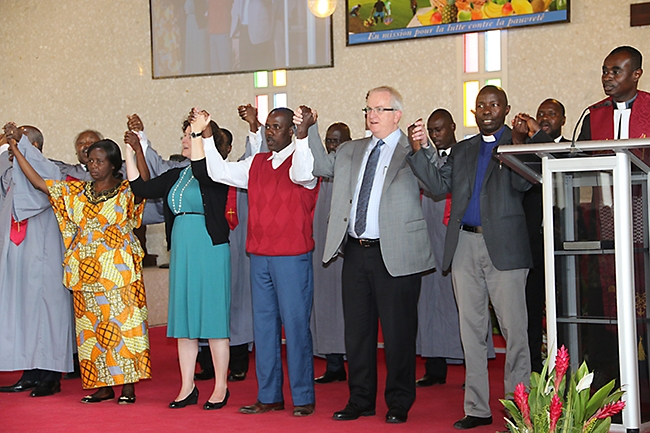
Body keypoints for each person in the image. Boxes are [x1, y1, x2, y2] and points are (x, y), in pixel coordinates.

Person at [297, 85, 435, 424]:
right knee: (357, 333)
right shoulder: (351, 150)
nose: (371, 115)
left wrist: (423, 148)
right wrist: (311, 129)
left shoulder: (411, 149)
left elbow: (435, 184)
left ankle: (399, 401)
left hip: (396, 253)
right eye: (368, 109)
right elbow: (320, 165)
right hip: (356, 254)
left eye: (379, 109)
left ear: (396, 115)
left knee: (398, 333)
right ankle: (360, 399)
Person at [407, 85, 532, 430]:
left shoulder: (518, 144)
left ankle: (520, 409)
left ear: (506, 109)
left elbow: (525, 184)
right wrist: (418, 150)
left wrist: (520, 144)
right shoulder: (463, 150)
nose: (486, 110)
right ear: (474, 112)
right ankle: (477, 408)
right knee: (471, 330)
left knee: (514, 331)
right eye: (480, 106)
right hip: (464, 246)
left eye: (493, 105)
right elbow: (435, 185)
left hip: (505, 250)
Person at [6, 125, 152, 404]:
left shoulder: (125, 191)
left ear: (113, 164)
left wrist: (137, 150)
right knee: (92, 329)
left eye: (99, 161)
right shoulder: (78, 192)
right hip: (86, 273)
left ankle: (128, 387)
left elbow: (144, 183)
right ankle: (102, 386)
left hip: (120, 272)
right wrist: (16, 149)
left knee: (126, 327)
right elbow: (40, 183)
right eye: (90, 160)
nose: (93, 165)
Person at [196, 106, 319, 417]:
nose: (270, 132)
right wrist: (208, 135)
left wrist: (303, 136)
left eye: (277, 127)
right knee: (263, 329)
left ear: (291, 131)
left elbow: (303, 175)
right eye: (268, 127)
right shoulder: (257, 163)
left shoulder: (303, 159)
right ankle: (269, 396)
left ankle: (303, 397)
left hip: (292, 258)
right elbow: (217, 172)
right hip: (260, 257)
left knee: (295, 327)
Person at [127, 116, 232, 410]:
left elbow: (203, 169)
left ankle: (221, 387)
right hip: (183, 251)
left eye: (190, 135)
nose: (184, 140)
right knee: (184, 322)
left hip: (210, 249)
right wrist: (131, 149)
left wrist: (201, 131)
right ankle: (187, 386)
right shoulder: (176, 174)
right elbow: (141, 189)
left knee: (213, 321)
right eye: (185, 135)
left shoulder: (216, 170)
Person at [0, 127, 75, 397]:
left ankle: (50, 377)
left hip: (45, 255)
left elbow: (38, 195)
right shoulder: (10, 173)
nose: (11, 148)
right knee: (24, 314)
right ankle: (29, 372)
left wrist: (19, 146)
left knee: (48, 314)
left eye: (17, 143)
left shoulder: (49, 170)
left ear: (33, 146)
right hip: (19, 257)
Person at [511, 99, 568, 373]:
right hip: (532, 243)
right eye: (541, 113)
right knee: (531, 308)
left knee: (566, 306)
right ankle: (534, 368)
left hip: (565, 243)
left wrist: (536, 136)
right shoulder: (528, 151)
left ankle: (566, 366)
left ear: (563, 119)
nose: (545, 117)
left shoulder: (571, 148)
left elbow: (559, 164)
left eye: (551, 114)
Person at [415, 109, 465, 387]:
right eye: (432, 131)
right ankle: (434, 368)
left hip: (454, 235)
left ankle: (473, 369)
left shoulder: (465, 154)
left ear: (453, 126)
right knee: (430, 299)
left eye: (440, 129)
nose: (436, 135)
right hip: (428, 233)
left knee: (462, 302)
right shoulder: (425, 159)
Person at [311, 122, 351, 384]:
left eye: (337, 141)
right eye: (329, 140)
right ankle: (334, 364)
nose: (332, 146)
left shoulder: (351, 170)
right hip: (318, 250)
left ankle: (351, 363)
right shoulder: (319, 172)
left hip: (345, 252)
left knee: (345, 309)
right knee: (325, 307)